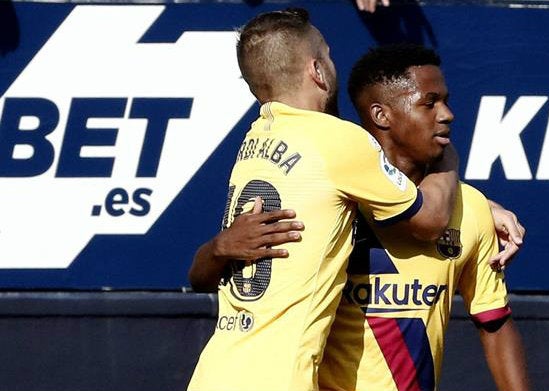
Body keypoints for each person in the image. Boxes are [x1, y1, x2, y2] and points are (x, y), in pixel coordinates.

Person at [187, 9, 460, 391]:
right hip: (278, 379)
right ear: (317, 70)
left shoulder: (254, 141)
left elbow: (198, 276)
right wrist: (447, 158)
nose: (334, 65)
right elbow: (430, 218)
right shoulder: (339, 142)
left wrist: (218, 248)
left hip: (214, 374)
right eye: (329, 56)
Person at [317, 44, 530, 391]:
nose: (447, 114)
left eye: (445, 101)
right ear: (382, 116)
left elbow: (494, 322)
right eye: (429, 103)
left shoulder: (471, 207)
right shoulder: (331, 199)